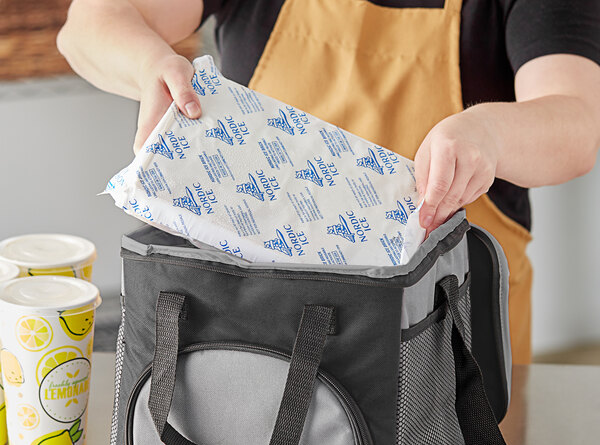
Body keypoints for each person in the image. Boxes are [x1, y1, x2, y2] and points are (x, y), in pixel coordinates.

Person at [56, 0, 600, 363]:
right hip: (265, 338)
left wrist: (489, 133)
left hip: (445, 346)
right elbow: (90, 25)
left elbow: (576, 122)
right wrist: (149, 63)